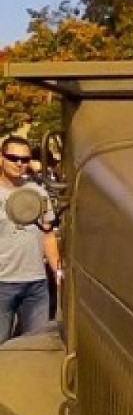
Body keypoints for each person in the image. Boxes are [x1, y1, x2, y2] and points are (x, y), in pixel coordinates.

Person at [0, 135, 61, 343]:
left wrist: (57, 271)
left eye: (25, 159)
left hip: (36, 284)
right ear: (2, 158)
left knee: (37, 345)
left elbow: (48, 234)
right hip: (2, 282)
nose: (19, 163)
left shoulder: (38, 193)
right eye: (13, 157)